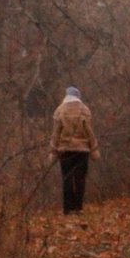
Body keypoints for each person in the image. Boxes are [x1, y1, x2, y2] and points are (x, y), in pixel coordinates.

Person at [50, 83, 96, 215]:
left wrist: (53, 149)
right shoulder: (85, 110)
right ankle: (78, 208)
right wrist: (93, 148)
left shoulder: (60, 110)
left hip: (65, 150)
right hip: (82, 150)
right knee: (80, 179)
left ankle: (67, 209)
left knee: (67, 179)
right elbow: (89, 131)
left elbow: (56, 133)